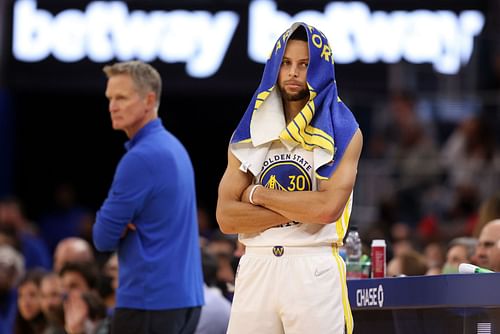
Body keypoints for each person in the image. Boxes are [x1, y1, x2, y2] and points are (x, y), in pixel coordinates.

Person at [216, 23, 362, 334]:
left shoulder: (345, 129)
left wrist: (257, 194)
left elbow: (326, 209)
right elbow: (227, 218)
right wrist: (299, 208)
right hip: (256, 264)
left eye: (304, 64)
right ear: (274, 68)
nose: (294, 72)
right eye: (286, 63)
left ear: (321, 68)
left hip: (312, 267)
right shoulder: (249, 130)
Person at [92, 61, 204, 334]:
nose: (112, 106)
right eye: (109, 98)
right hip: (185, 300)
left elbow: (102, 237)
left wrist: (117, 228)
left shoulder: (140, 158)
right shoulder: (174, 147)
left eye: (121, 97)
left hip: (149, 302)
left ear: (149, 100)